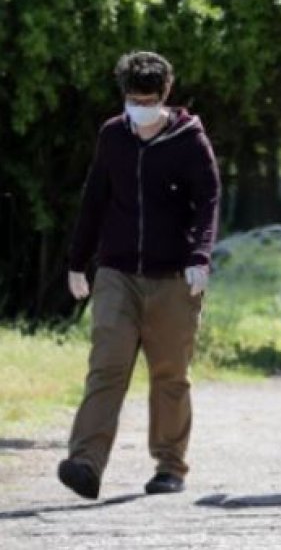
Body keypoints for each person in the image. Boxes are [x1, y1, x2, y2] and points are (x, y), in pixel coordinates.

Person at [59, 51, 221, 499]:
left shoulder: (190, 140)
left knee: (170, 374)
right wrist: (77, 261)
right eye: (133, 99)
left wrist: (200, 256)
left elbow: (209, 200)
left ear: (164, 96)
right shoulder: (113, 135)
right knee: (106, 367)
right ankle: (84, 463)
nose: (140, 108)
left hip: (174, 277)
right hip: (117, 272)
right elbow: (95, 197)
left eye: (148, 100)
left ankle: (170, 465)